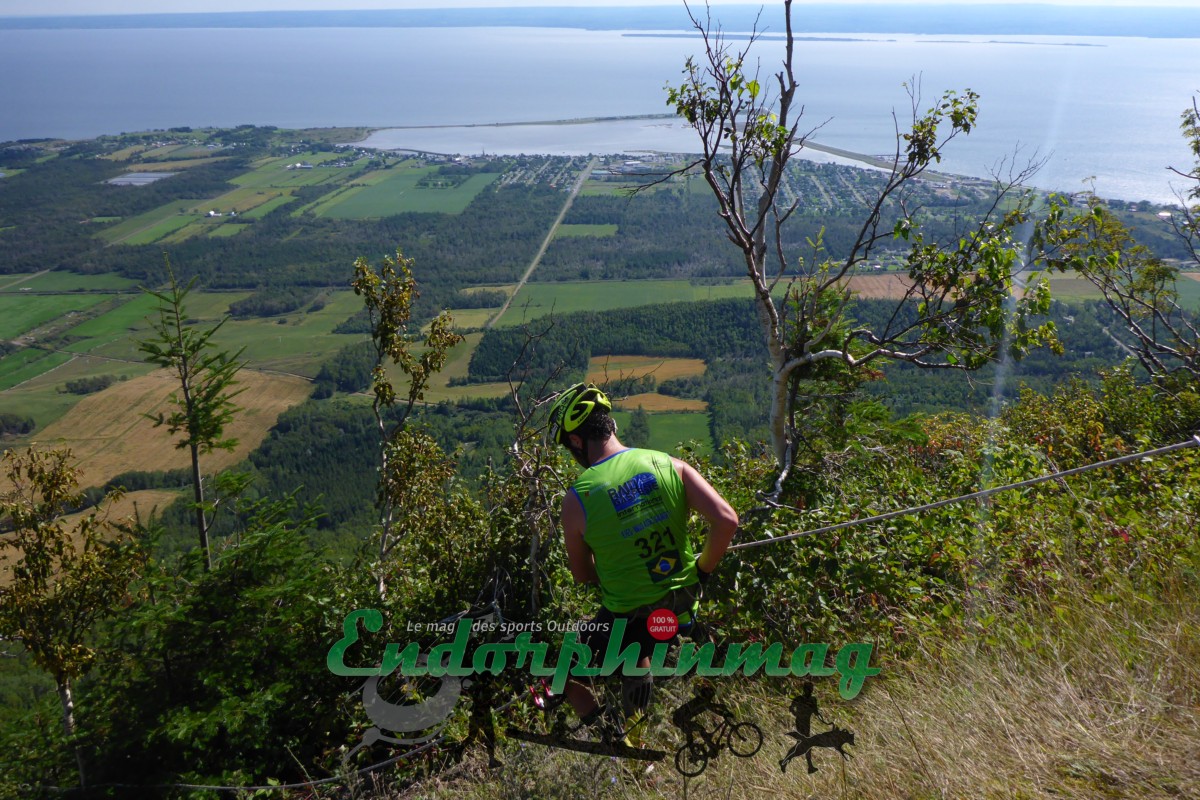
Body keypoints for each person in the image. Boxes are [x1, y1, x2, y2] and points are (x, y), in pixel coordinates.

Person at [547, 382, 739, 740]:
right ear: (611, 425)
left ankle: (615, 740)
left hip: (629, 617)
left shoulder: (578, 498)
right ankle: (644, 704)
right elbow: (726, 520)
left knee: (561, 672)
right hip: (682, 607)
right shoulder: (670, 464)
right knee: (645, 634)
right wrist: (702, 572)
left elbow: (582, 575)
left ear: (576, 441)